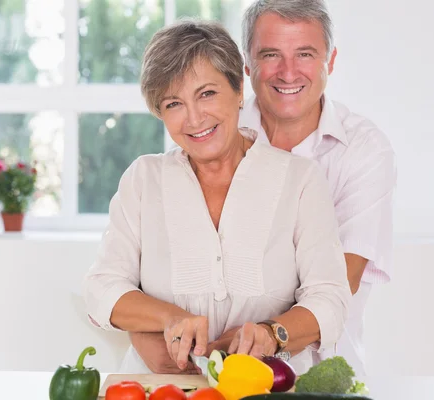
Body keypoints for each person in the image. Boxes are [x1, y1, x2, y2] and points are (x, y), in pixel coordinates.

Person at [83, 19, 351, 376]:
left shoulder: (299, 180)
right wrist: (171, 318)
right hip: (160, 387)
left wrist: (272, 334)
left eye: (207, 93)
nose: (194, 118)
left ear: (239, 89)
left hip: (267, 386)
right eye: (173, 103)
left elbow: (330, 299)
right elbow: (101, 288)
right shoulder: (144, 179)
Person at [237, 0, 396, 376]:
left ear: (331, 60)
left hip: (322, 374)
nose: (288, 72)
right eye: (271, 54)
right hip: (220, 371)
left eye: (305, 54)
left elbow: (341, 280)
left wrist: (261, 332)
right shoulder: (215, 135)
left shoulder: (365, 149)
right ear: (247, 64)